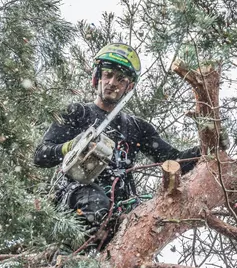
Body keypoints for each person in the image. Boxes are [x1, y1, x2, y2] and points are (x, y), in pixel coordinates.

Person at [34, 43, 201, 232]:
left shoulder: (138, 128)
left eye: (121, 79)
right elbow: (40, 156)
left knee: (148, 219)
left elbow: (175, 161)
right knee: (93, 199)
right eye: (108, 74)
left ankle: (114, 230)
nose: (112, 82)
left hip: (120, 208)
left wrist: (206, 147)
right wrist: (70, 146)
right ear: (98, 77)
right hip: (76, 201)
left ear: (129, 87)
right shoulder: (76, 113)